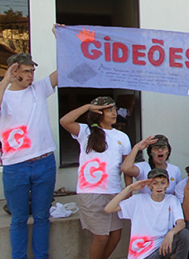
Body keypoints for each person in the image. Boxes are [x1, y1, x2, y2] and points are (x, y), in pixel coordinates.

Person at [0, 53, 58, 259]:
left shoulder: (39, 89)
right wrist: (5, 80)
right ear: (13, 71)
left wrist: (60, 38)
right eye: (26, 71)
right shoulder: (2, 95)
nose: (31, 75)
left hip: (44, 162)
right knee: (19, 218)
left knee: (42, 216)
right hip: (15, 166)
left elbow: (62, 73)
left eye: (32, 71)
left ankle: (41, 256)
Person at [60, 96, 132, 259]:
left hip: (113, 192)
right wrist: (87, 106)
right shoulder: (86, 131)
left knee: (115, 236)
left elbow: (126, 167)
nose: (114, 113)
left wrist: (128, 189)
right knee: (101, 237)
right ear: (98, 113)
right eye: (108, 110)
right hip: (90, 192)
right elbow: (65, 121)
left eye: (114, 109)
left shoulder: (122, 137)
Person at [105, 168, 189, 259]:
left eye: (163, 183)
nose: (159, 186)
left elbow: (181, 223)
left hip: (161, 249)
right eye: (155, 183)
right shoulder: (138, 200)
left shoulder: (171, 200)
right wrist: (130, 188)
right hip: (142, 255)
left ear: (168, 184)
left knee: (185, 234)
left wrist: (171, 233)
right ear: (149, 186)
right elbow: (109, 208)